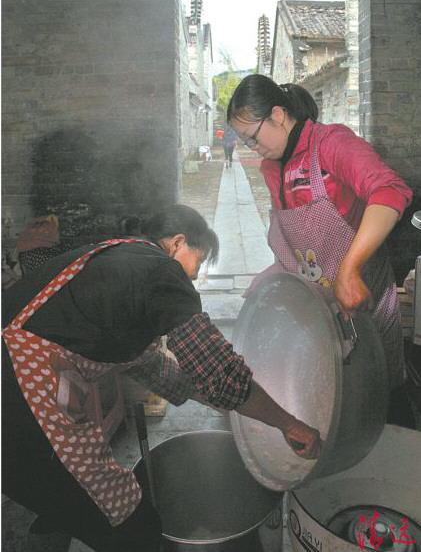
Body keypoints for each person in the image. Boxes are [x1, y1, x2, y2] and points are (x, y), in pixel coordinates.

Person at [2, 204, 321, 552]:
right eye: (198, 263)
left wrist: (235, 408)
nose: (195, 277)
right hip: (18, 392)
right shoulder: (160, 270)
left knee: (59, 501)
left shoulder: (115, 258)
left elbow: (158, 368)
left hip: (17, 393)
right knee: (126, 517)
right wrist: (288, 424)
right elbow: (221, 374)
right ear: (177, 244)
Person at [227, 74, 414, 429]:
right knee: (334, 395)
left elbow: (390, 192)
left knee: (381, 392)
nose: (253, 147)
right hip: (317, 303)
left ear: (278, 115)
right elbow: (295, 243)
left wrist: (350, 269)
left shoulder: (331, 144)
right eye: (244, 141)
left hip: (361, 299)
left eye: (253, 137)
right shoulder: (272, 167)